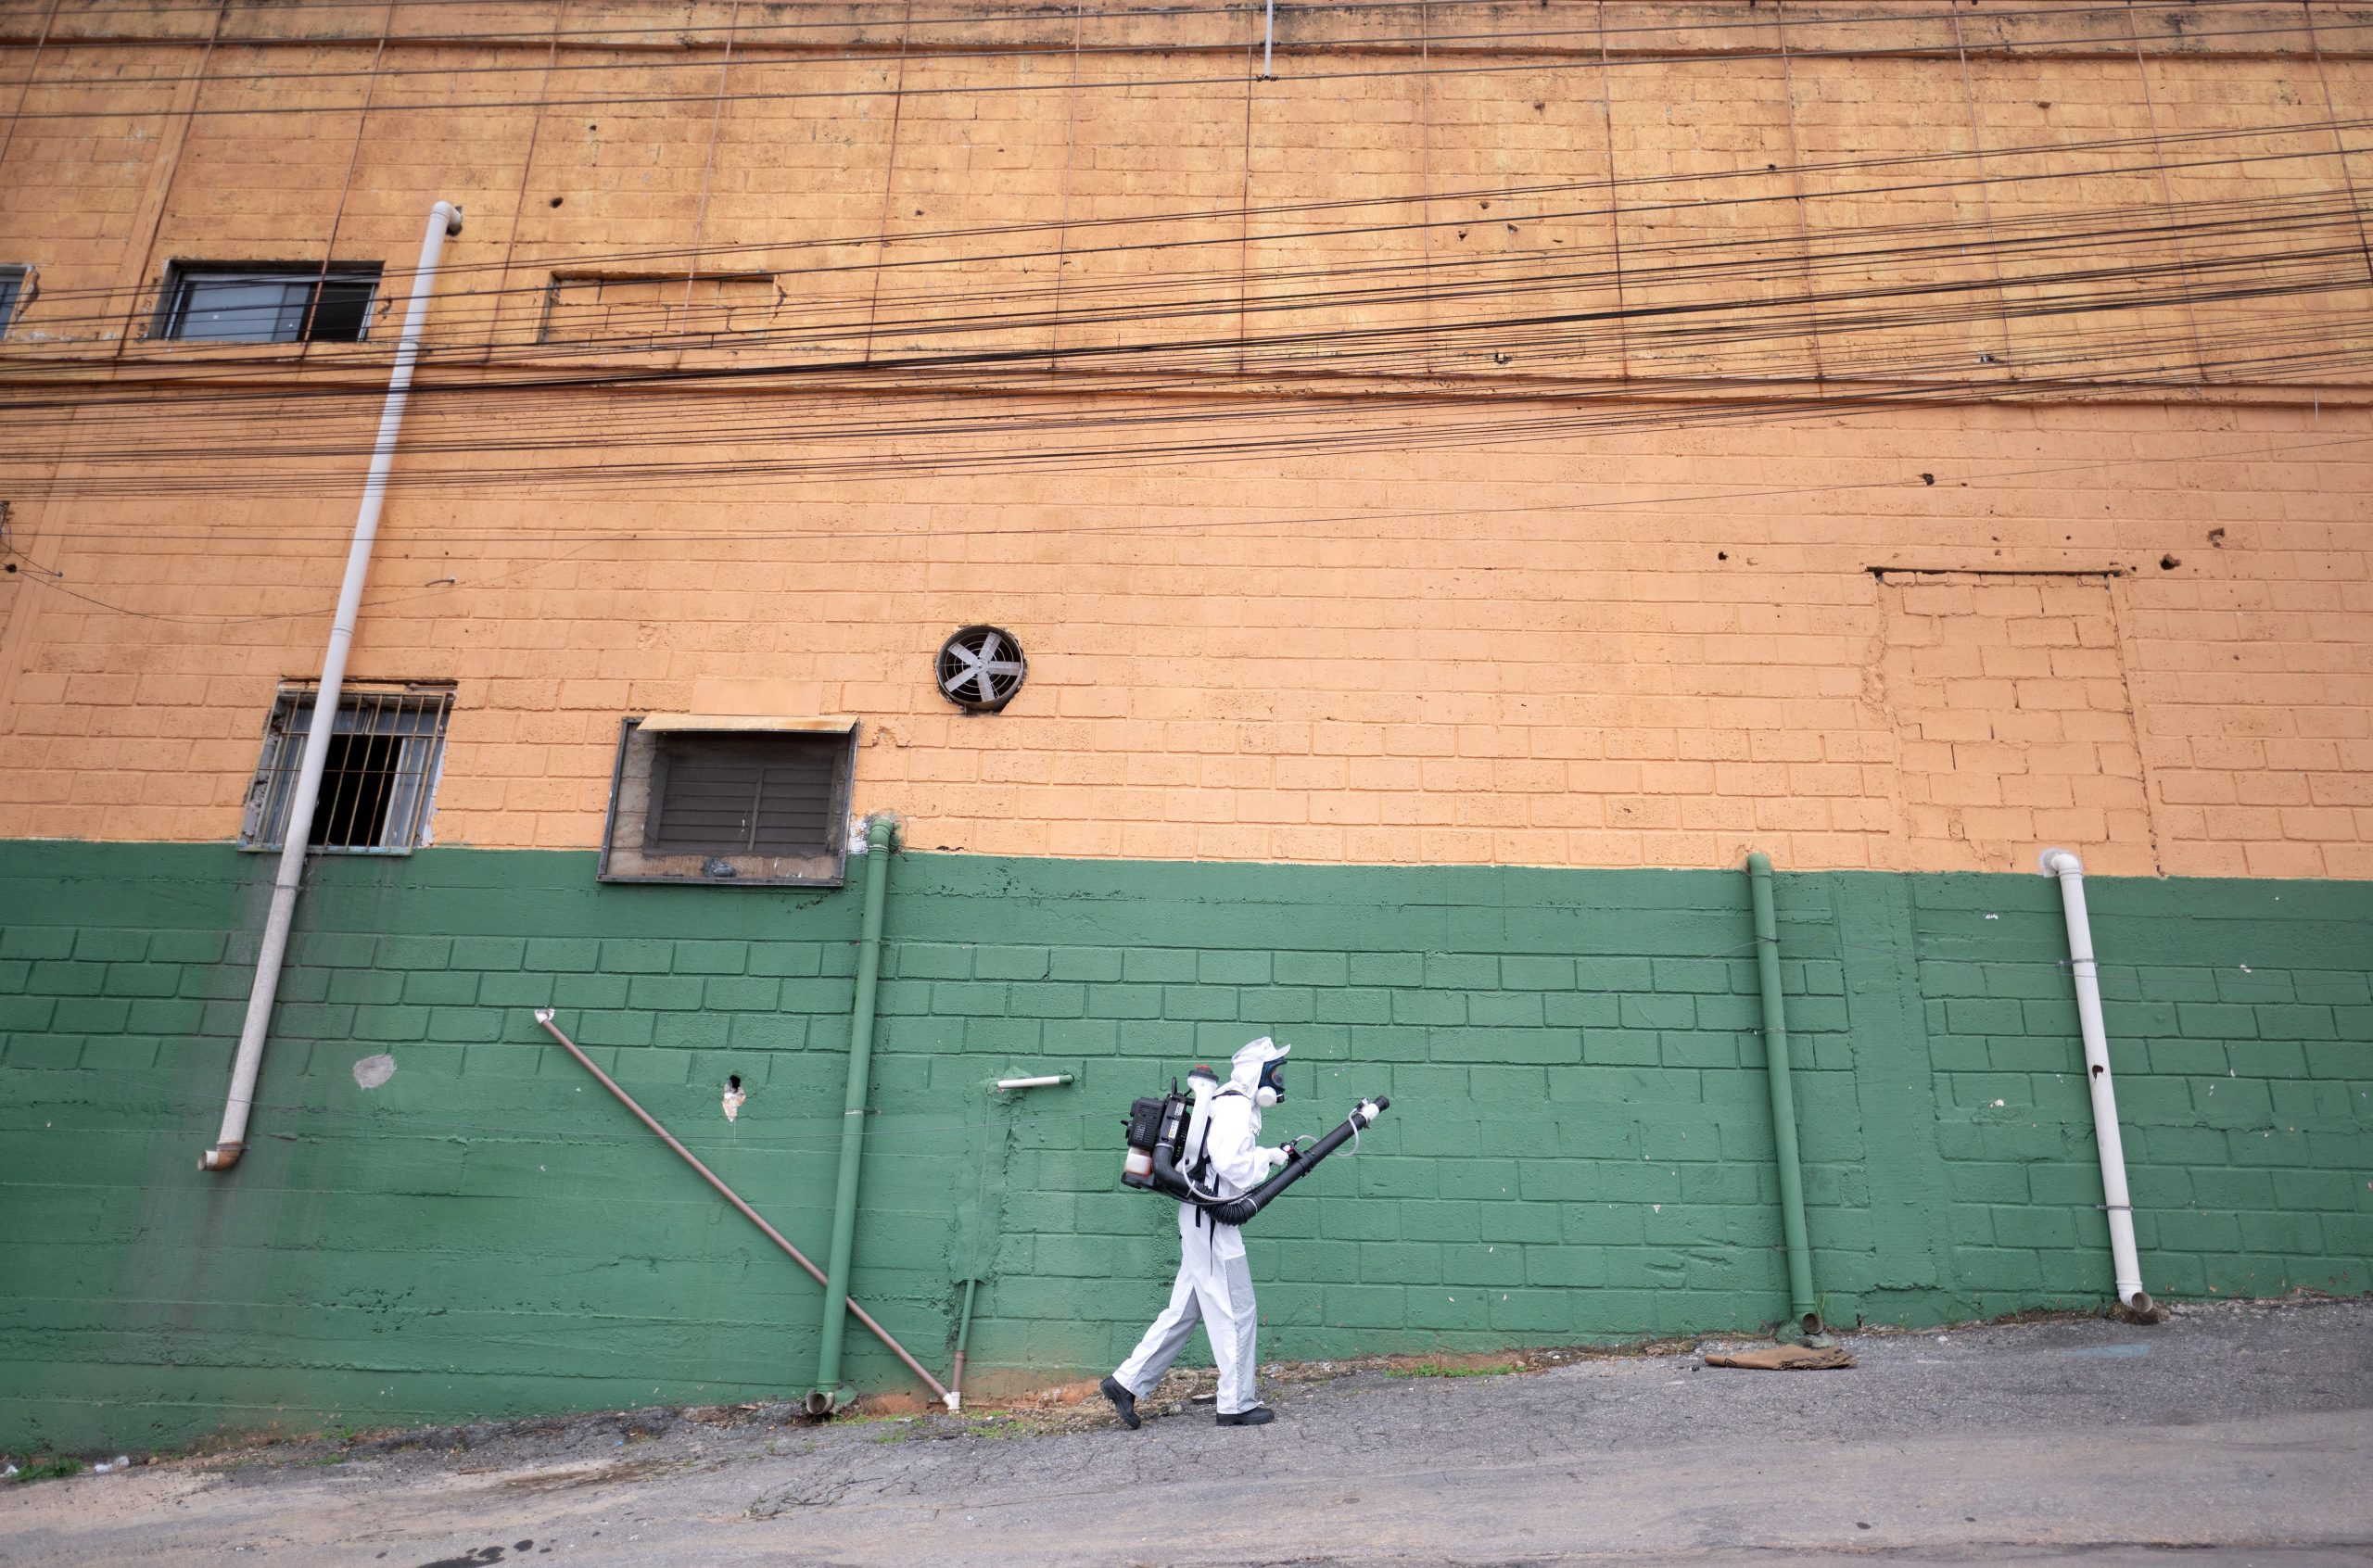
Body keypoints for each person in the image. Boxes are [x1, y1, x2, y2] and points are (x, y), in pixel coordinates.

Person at [1102, 1036, 1297, 1429]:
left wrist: (1270, 1154)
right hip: (1211, 1219)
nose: (1277, 1081)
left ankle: (1126, 1382)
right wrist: (1269, 1157)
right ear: (1255, 1073)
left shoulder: (1229, 1102)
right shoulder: (1236, 1105)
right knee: (1237, 1310)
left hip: (1201, 1217)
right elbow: (1232, 1163)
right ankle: (1236, 1403)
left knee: (1184, 1310)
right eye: (1274, 1072)